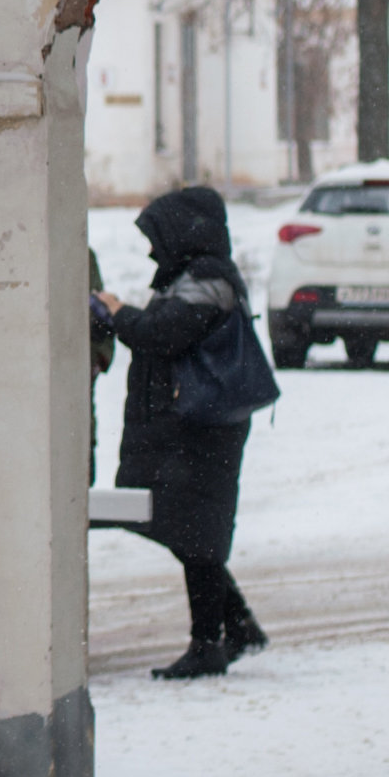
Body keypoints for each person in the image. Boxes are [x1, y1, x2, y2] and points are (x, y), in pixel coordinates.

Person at [93, 183, 271, 679]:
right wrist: (118, 317)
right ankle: (235, 625)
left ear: (182, 233)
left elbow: (162, 334)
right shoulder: (189, 276)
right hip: (190, 427)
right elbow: (159, 332)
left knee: (195, 532)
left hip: (203, 428)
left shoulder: (207, 281)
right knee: (183, 526)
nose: (152, 248)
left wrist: (116, 311)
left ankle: (209, 643)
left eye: (157, 236)